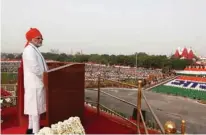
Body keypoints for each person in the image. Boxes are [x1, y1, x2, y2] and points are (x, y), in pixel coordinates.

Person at [22, 28, 48, 134]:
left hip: (37, 84)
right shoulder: (29, 50)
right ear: (31, 39)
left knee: (34, 109)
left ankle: (31, 128)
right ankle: (36, 132)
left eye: (41, 38)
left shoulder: (33, 49)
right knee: (35, 110)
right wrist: (45, 77)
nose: (40, 40)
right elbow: (35, 68)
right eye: (38, 38)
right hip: (34, 84)